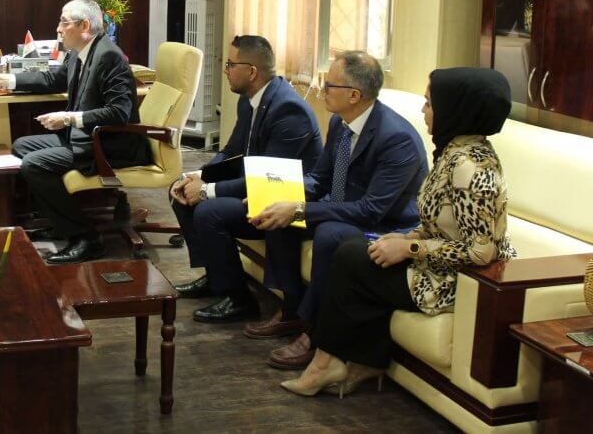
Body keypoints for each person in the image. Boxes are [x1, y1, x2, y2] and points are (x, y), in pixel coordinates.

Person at [280, 67, 515, 397]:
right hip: (437, 264)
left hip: (455, 281)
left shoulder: (471, 167)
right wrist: (406, 238)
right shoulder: (454, 151)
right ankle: (362, 360)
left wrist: (410, 249)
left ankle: (324, 361)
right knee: (360, 251)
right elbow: (438, 223)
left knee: (350, 257)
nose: (423, 110)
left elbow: (481, 252)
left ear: (455, 109)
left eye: (429, 103)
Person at [245, 51, 428, 371]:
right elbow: (320, 178)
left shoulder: (397, 139)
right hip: (345, 208)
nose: (322, 89)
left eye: (329, 84)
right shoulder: (340, 122)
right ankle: (291, 310)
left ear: (354, 95)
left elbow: (371, 210)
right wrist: (276, 195)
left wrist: (299, 209)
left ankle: (315, 334)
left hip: (386, 225)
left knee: (329, 234)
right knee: (279, 217)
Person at [0, 0, 150, 263]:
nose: (58, 29)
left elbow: (119, 112)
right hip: (86, 138)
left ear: (84, 25)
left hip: (110, 146)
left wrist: (69, 118)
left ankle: (86, 238)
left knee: (34, 165)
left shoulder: (109, 56)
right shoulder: (79, 52)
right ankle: (62, 223)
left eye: (64, 22)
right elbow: (53, 79)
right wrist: (3, 80)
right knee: (21, 146)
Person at [170, 35, 322, 323]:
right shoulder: (248, 100)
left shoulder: (289, 111)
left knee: (209, 210)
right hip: (253, 188)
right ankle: (216, 277)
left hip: (281, 200)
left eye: (230, 64)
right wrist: (197, 176)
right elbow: (231, 151)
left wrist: (207, 190)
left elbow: (268, 180)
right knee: (180, 190)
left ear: (252, 72)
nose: (225, 70)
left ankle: (239, 300)